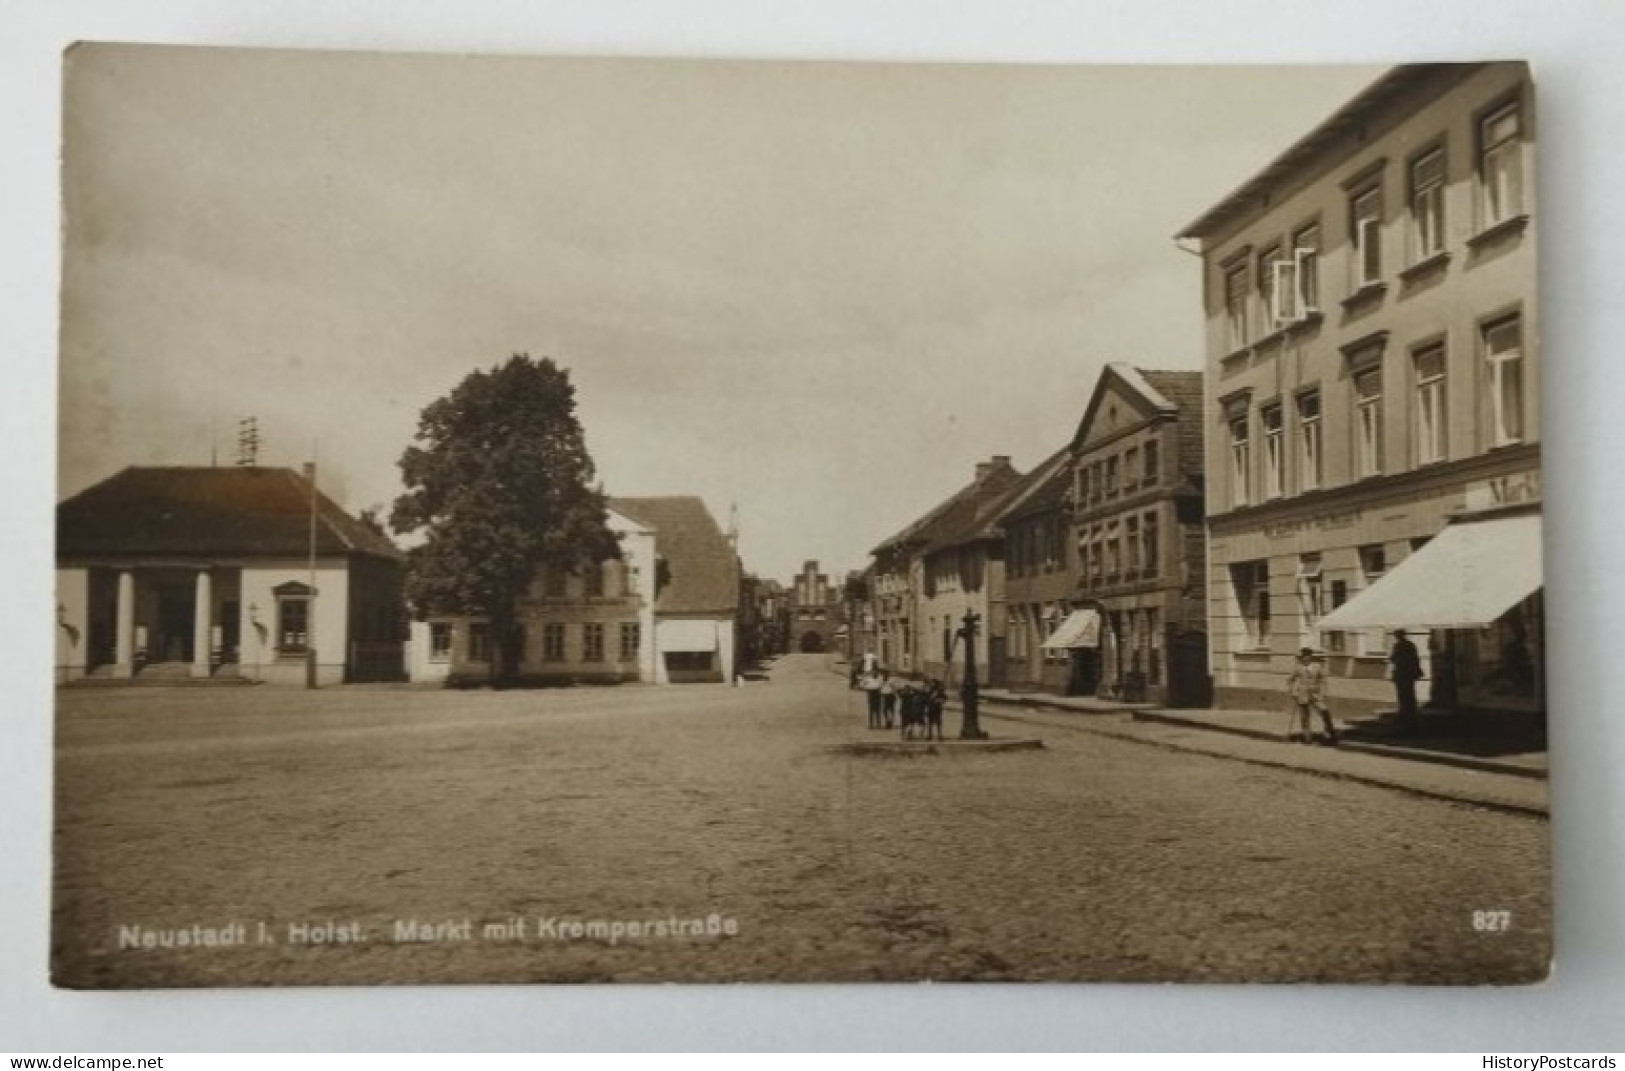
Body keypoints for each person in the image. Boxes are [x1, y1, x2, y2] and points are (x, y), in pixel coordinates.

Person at [1286, 646, 1338, 746]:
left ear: (1310, 656)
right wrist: (1293, 692)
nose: (1304, 658)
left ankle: (1332, 735)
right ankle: (1307, 738)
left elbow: (1323, 680)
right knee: (1304, 717)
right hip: (1302, 694)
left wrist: (1322, 693)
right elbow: (1290, 680)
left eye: (1306, 656)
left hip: (1315, 695)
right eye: (1302, 656)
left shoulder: (1317, 666)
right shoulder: (1298, 667)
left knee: (1325, 713)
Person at [1388, 629, 1424, 734]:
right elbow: (1416, 659)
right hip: (1408, 674)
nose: (1396, 637)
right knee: (1409, 694)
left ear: (1398, 636)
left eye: (1397, 635)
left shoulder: (1398, 646)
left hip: (1402, 674)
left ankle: (1406, 715)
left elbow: (1393, 658)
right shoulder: (1410, 645)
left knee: (1403, 695)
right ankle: (1410, 714)